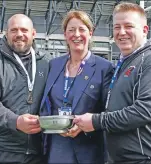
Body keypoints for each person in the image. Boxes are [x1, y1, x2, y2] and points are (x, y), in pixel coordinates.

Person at [73, 2, 151, 164]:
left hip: (149, 158)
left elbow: (144, 111)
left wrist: (96, 121)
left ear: (144, 30)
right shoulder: (122, 65)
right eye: (116, 27)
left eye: (128, 26)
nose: (121, 32)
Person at [39, 10, 114, 164]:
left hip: (89, 150)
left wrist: (86, 125)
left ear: (90, 33)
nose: (76, 34)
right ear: (65, 35)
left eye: (82, 29)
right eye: (71, 30)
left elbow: (109, 109)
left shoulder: (104, 68)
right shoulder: (54, 65)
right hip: (57, 149)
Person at [0, 14, 49, 164]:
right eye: (14, 30)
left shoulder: (46, 62)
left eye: (24, 30)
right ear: (6, 33)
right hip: (1, 151)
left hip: (38, 152)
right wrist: (15, 121)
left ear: (33, 33)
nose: (19, 35)